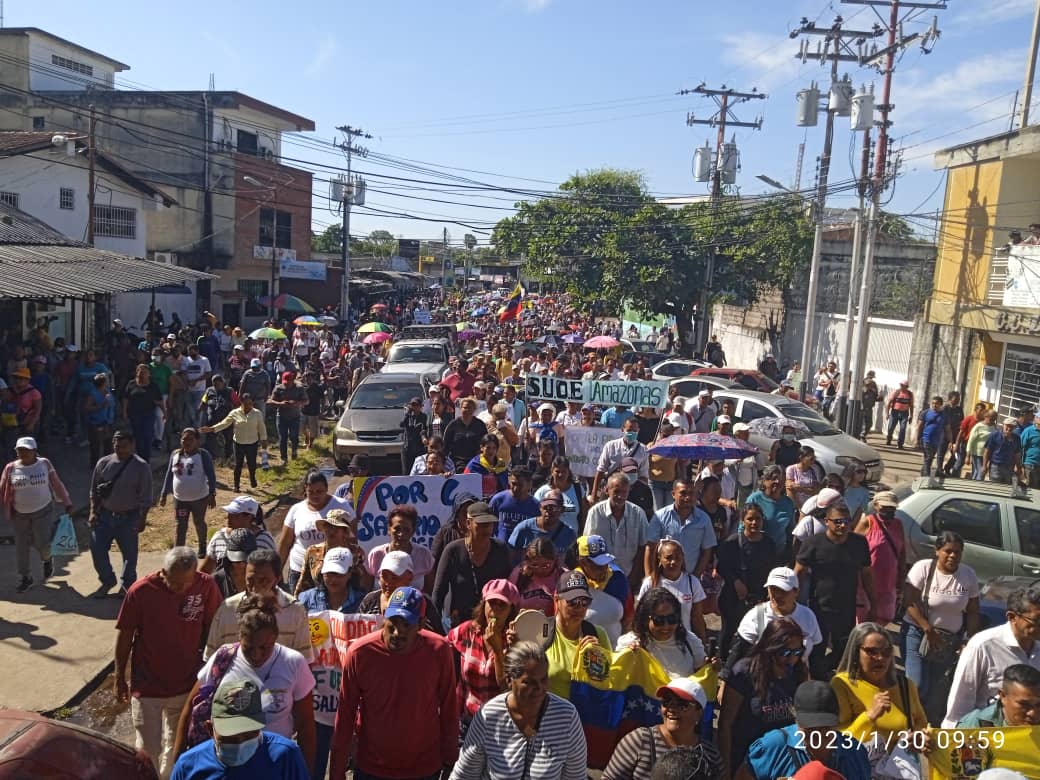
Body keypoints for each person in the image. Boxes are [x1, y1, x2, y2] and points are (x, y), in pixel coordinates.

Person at [174, 595, 316, 774]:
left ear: (275, 637)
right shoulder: (222, 659)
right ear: (240, 637)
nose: (256, 655)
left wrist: (305, 771)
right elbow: (190, 706)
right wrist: (178, 759)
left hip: (273, 765)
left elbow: (306, 723)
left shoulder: (293, 663)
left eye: (264, 647)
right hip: (224, 763)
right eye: (248, 648)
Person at [330, 587, 459, 780]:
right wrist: (336, 771)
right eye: (393, 623)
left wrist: (450, 759)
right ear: (384, 616)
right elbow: (345, 715)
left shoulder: (439, 651)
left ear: (421, 624)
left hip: (423, 768)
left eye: (407, 624)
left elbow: (449, 707)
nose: (398, 632)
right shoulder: (360, 653)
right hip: (372, 768)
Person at [116, 547, 222, 779]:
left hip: (186, 685)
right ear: (163, 572)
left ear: (195, 573)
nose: (180, 589)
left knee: (176, 747)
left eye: (185, 583)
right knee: (147, 751)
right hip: (147, 687)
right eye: (174, 582)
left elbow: (214, 628)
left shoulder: (206, 586)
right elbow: (125, 635)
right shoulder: (140, 591)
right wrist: (119, 677)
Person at [450, 641, 587, 780]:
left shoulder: (567, 717)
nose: (539, 688)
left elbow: (576, 776)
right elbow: (464, 775)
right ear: (509, 680)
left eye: (543, 679)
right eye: (529, 682)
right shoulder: (489, 716)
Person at [831, 622, 929, 770]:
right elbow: (836, 740)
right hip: (859, 770)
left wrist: (918, 737)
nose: (880, 658)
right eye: (872, 652)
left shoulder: (905, 685)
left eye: (886, 651)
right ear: (856, 652)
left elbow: (921, 722)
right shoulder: (842, 684)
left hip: (900, 770)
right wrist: (869, 716)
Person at [719, 618, 808, 779]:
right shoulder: (744, 672)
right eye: (785, 653)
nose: (792, 659)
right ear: (770, 648)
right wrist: (725, 768)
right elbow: (725, 723)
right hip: (748, 762)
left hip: (783, 759)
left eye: (797, 652)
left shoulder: (799, 672)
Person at [941, 582, 1040, 727]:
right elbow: (960, 704)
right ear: (1012, 617)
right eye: (1037, 620)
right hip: (987, 735)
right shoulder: (983, 645)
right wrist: (956, 736)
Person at [169, 677, 309, 779]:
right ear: (210, 729)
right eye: (230, 737)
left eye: (249, 735)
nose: (240, 744)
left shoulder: (285, 756)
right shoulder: (188, 766)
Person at [795, 503, 876, 679]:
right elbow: (799, 573)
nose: (843, 525)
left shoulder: (859, 543)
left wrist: (874, 602)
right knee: (817, 650)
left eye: (847, 521)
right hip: (819, 608)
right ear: (827, 521)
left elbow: (867, 575)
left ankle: (835, 680)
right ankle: (818, 682)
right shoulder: (813, 543)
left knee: (844, 651)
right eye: (838, 521)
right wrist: (793, 603)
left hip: (847, 608)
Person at [734, 681, 871, 780]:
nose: (817, 734)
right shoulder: (772, 747)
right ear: (795, 718)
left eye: (824, 727)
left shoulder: (855, 753)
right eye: (809, 728)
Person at [603, 677, 723, 780]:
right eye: (667, 701)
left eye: (682, 704)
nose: (671, 708)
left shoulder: (711, 756)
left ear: (699, 713)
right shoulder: (639, 741)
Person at [204, 550, 313, 661]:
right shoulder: (227, 609)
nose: (255, 588)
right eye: (250, 580)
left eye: (263, 580)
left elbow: (304, 660)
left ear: (277, 578)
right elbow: (211, 658)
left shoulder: (295, 611)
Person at [0, 436, 72, 592]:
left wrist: (67, 502)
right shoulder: (10, 468)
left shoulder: (44, 464)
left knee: (42, 542)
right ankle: (25, 576)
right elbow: (3, 489)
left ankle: (47, 559)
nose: (23, 453)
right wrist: (6, 507)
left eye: (27, 450)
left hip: (43, 510)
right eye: (20, 450)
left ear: (34, 451)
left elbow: (56, 483)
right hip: (19, 514)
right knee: (21, 545)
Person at [89, 429, 153, 598]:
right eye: (117, 446)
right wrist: (93, 512)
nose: (121, 450)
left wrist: (142, 519)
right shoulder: (103, 463)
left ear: (132, 445)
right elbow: (94, 491)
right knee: (97, 549)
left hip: (129, 518)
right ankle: (107, 580)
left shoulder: (141, 467)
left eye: (124, 446)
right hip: (104, 515)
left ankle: (127, 585)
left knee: (129, 555)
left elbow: (146, 497)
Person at [446, 578, 520, 723]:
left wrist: (498, 651)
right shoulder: (468, 631)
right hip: (467, 719)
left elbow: (507, 688)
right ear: (483, 604)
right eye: (492, 603)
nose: (495, 610)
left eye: (502, 605)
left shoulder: (514, 641)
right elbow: (442, 646)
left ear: (511, 610)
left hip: (499, 722)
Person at [725, 566, 822, 677]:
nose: (777, 595)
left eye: (783, 591)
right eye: (773, 589)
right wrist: (725, 678)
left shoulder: (807, 615)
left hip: (796, 679)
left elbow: (816, 655)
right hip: (761, 679)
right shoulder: (756, 615)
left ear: (796, 592)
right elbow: (738, 653)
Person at [434, 501, 512, 626]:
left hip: (492, 622)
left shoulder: (501, 550)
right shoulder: (452, 551)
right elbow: (438, 593)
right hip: (457, 624)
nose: (486, 529)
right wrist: (436, 627)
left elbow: (509, 589)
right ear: (468, 523)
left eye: (489, 524)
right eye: (481, 524)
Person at [716, 503, 778, 657]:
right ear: (743, 521)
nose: (754, 523)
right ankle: (722, 662)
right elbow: (721, 567)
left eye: (758, 519)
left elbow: (773, 570)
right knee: (728, 632)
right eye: (750, 519)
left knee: (758, 635)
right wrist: (735, 581)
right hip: (733, 598)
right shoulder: (731, 543)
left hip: (759, 599)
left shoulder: (769, 544)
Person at [278, 471, 353, 593]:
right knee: (300, 603)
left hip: (332, 572)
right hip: (299, 570)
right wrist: (277, 570)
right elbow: (285, 542)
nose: (315, 495)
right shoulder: (296, 510)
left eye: (319, 491)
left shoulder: (341, 505)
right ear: (305, 490)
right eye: (311, 492)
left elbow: (353, 535)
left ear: (327, 489)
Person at [546, 570, 612, 698]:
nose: (579, 608)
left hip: (586, 709)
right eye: (572, 601)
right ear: (557, 600)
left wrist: (598, 659)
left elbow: (608, 683)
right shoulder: (542, 632)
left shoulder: (598, 634)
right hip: (550, 709)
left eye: (584, 601)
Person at [616, 588, 707, 678]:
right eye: (659, 620)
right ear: (645, 619)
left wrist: (710, 666)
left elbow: (702, 675)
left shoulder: (690, 641)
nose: (666, 626)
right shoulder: (629, 644)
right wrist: (628, 656)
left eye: (672, 618)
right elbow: (618, 676)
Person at [158, 428, 217, 558]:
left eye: (190, 439)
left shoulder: (203, 455)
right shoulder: (175, 455)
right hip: (180, 499)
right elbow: (169, 475)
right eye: (184, 439)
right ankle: (178, 552)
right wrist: (163, 494)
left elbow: (211, 476)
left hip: (199, 498)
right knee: (180, 525)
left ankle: (202, 545)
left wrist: (212, 494)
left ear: (197, 441)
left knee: (199, 522)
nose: (187, 442)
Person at [358, 550, 445, 635]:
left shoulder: (421, 602)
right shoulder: (370, 600)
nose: (388, 582)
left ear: (410, 577)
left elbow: (437, 636)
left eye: (394, 577)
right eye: (384, 576)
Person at [584, 472, 649, 582]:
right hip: (600, 576)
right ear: (607, 490)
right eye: (616, 491)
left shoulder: (638, 513)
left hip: (629, 574)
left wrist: (634, 576)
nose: (620, 496)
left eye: (624, 492)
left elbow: (643, 547)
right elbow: (588, 545)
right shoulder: (595, 512)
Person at [637, 539, 707, 640]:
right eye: (668, 558)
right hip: (655, 643)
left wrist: (702, 641)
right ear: (660, 558)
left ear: (683, 558)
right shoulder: (650, 583)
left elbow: (697, 617)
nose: (673, 562)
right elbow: (640, 616)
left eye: (677, 557)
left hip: (684, 641)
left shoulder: (692, 582)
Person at [852, 490, 904, 625]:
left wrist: (901, 582)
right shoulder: (867, 522)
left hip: (888, 584)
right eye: (884, 507)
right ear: (876, 505)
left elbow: (902, 554)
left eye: (891, 508)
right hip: (866, 583)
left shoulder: (898, 525)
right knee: (863, 622)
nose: (888, 511)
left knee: (885, 618)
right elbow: (853, 549)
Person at [647, 480, 716, 579]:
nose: (687, 497)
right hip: (663, 579)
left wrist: (694, 578)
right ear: (673, 494)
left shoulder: (704, 519)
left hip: (689, 577)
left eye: (691, 493)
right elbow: (650, 548)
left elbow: (706, 552)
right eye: (683, 493)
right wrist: (650, 577)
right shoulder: (660, 517)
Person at [201, 393, 268, 492]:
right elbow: (224, 423)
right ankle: (236, 486)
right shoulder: (234, 413)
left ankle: (252, 478)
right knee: (238, 465)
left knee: (252, 464)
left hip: (252, 443)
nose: (248, 406)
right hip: (238, 443)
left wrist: (264, 439)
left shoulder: (257, 413)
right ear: (241, 403)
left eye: (250, 404)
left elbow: (261, 427)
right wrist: (212, 429)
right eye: (246, 404)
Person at [573, 534, 633, 646]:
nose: (603, 569)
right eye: (597, 565)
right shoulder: (572, 583)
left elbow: (629, 617)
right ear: (582, 562)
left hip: (614, 651)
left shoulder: (618, 579)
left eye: (606, 562)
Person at [293, 509, 367, 597]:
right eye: (328, 526)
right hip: (318, 601)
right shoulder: (313, 551)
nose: (331, 530)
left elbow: (363, 584)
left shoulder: (356, 552)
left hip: (351, 602)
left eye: (336, 527)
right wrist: (297, 601)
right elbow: (304, 584)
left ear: (345, 532)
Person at [367, 505, 437, 592]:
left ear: (413, 531)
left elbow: (431, 591)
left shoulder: (424, 555)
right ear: (389, 529)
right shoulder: (376, 555)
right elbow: (367, 590)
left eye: (406, 529)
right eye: (397, 529)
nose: (401, 534)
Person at [200, 496, 276, 575]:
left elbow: (274, 571)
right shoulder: (219, 537)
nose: (229, 517)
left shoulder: (264, 539)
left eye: (235, 514)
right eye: (229, 512)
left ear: (249, 517)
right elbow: (204, 571)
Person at [957, 663, 1040, 727]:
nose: (1033, 713)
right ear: (1003, 696)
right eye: (1024, 704)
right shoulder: (976, 725)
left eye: (1039, 704)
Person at [508, 489, 578, 560]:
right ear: (540, 508)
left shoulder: (569, 534)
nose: (549, 511)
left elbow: (571, 561)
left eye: (554, 508)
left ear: (562, 510)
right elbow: (510, 555)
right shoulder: (524, 528)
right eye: (546, 507)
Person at [296, 547, 366, 615]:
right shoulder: (306, 598)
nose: (333, 579)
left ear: (350, 573)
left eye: (339, 574)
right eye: (329, 574)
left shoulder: (363, 601)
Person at [745, 465, 797, 556]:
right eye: (774, 478)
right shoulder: (754, 499)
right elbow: (742, 528)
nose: (777, 481)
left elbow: (790, 530)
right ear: (764, 481)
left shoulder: (788, 503)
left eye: (781, 479)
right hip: (756, 553)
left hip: (779, 553)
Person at [509, 537, 565, 615]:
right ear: (528, 561)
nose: (540, 570)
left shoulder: (563, 576)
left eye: (546, 565)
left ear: (555, 560)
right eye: (534, 565)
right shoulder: (519, 574)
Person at [534, 456, 586, 534]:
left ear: (569, 472)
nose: (560, 474)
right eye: (557, 471)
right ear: (552, 471)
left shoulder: (578, 489)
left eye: (564, 471)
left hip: (572, 538)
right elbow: (534, 515)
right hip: (548, 538)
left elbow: (584, 515)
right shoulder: (542, 492)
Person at [489, 466, 541, 543]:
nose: (516, 488)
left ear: (529, 484)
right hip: (500, 548)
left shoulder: (535, 506)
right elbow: (489, 526)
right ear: (509, 481)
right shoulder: (498, 500)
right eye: (513, 484)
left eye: (520, 485)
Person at [431, 491, 478, 571]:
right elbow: (433, 562)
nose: (468, 516)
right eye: (464, 512)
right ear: (457, 514)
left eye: (471, 512)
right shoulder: (445, 532)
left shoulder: (479, 531)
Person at [268, 372, 305, 462]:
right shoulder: (278, 388)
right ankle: (284, 457)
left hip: (295, 416)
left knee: (294, 436)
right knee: (282, 437)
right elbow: (270, 401)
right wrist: (280, 403)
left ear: (293, 380)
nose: (286, 384)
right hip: (281, 416)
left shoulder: (299, 388)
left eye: (288, 382)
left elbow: (306, 400)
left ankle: (294, 452)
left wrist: (296, 403)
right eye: (285, 383)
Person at [443, 397, 489, 469]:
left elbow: (486, 443)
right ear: (461, 408)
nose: (467, 410)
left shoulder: (480, 425)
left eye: (469, 408)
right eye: (464, 407)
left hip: (476, 461)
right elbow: (446, 445)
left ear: (474, 409)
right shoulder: (453, 425)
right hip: (456, 462)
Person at [83, 372, 116, 468]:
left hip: (108, 422)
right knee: (95, 445)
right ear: (103, 383)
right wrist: (100, 406)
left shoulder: (108, 392)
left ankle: (108, 464)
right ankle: (95, 465)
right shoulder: (93, 394)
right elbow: (87, 407)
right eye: (107, 381)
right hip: (96, 423)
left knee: (108, 444)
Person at [213, 528, 255, 599]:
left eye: (246, 560)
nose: (242, 565)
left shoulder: (263, 578)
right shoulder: (217, 580)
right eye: (237, 561)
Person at [916, 395, 951, 477]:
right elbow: (919, 426)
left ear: (941, 405)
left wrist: (950, 441)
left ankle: (923, 473)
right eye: (933, 403)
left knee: (928, 459)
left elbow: (948, 430)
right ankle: (926, 476)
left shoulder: (944, 415)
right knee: (929, 457)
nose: (934, 405)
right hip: (926, 439)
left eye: (937, 404)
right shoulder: (925, 413)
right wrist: (917, 439)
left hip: (937, 441)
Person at [983, 417, 1023, 484]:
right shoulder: (994, 435)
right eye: (1007, 426)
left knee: (1007, 486)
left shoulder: (1016, 438)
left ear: (1015, 427)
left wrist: (1019, 468)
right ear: (1003, 425)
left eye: (1012, 426)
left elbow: (1017, 454)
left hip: (1009, 467)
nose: (1009, 428)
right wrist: (984, 465)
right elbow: (987, 451)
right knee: (995, 485)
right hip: (996, 466)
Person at [967, 408, 999, 480]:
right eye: (991, 419)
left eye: (994, 419)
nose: (992, 421)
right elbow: (970, 441)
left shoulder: (994, 427)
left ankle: (973, 484)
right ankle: (977, 485)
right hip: (977, 453)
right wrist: (968, 455)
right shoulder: (978, 426)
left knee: (977, 472)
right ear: (986, 416)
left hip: (987, 454)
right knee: (980, 471)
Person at [399, 396, 427, 475]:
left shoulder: (423, 416)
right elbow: (401, 424)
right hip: (407, 447)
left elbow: (423, 429)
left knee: (419, 470)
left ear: (421, 406)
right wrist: (407, 414)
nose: (414, 407)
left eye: (416, 405)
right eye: (412, 405)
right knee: (406, 471)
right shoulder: (408, 416)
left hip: (418, 448)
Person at [885, 380, 915, 449]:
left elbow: (911, 405)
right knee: (890, 427)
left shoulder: (910, 394)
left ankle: (900, 444)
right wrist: (887, 413)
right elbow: (889, 403)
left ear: (906, 386)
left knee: (903, 428)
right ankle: (889, 438)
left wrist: (911, 415)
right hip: (895, 412)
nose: (901, 387)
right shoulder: (896, 392)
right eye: (901, 385)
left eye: (903, 385)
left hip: (904, 413)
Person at [860, 371, 879, 440]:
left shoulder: (873, 385)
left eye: (871, 379)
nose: (871, 380)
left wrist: (878, 397)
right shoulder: (862, 384)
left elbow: (876, 396)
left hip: (869, 408)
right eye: (869, 378)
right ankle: (861, 435)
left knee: (869, 424)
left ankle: (863, 435)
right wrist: (867, 387)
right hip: (862, 407)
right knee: (862, 423)